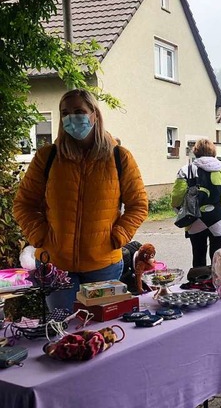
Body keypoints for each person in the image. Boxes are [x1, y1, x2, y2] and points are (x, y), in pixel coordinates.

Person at [13, 89, 148, 312]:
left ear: (94, 114)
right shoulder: (48, 157)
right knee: (60, 327)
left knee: (101, 332)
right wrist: (40, 236)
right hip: (56, 263)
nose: (71, 118)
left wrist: (117, 236)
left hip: (104, 264)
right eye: (65, 113)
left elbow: (138, 205)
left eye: (79, 111)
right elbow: (23, 204)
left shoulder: (119, 157)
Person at [171, 138, 221, 268]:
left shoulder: (186, 170)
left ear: (195, 151)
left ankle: (198, 283)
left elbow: (176, 196)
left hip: (194, 217)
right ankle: (217, 283)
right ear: (213, 151)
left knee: (198, 256)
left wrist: (179, 211)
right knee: (219, 258)